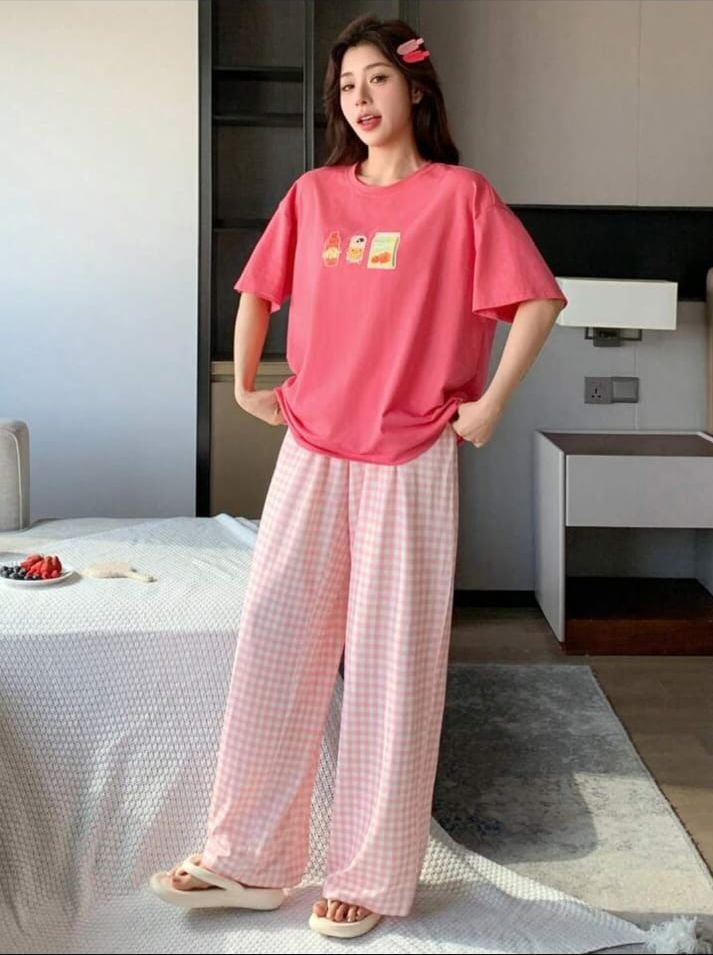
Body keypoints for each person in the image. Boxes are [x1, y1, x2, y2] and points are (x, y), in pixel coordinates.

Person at [149, 13, 567, 940]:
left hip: (411, 453)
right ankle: (247, 858)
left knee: (392, 660)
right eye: (346, 86)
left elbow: (537, 300)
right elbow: (258, 288)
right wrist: (250, 384)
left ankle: (370, 876)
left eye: (376, 79)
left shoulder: (460, 196)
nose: (360, 99)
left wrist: (491, 404)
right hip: (313, 445)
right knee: (275, 637)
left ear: (415, 87)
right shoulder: (314, 194)